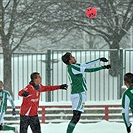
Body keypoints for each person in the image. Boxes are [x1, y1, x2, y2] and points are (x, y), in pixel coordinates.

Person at [61, 52, 111, 133]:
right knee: (76, 117)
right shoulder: (73, 67)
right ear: (70, 60)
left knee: (76, 116)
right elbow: (88, 70)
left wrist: (99, 60)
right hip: (79, 94)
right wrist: (103, 67)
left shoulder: (73, 66)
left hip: (78, 94)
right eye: (72, 57)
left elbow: (86, 64)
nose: (74, 57)